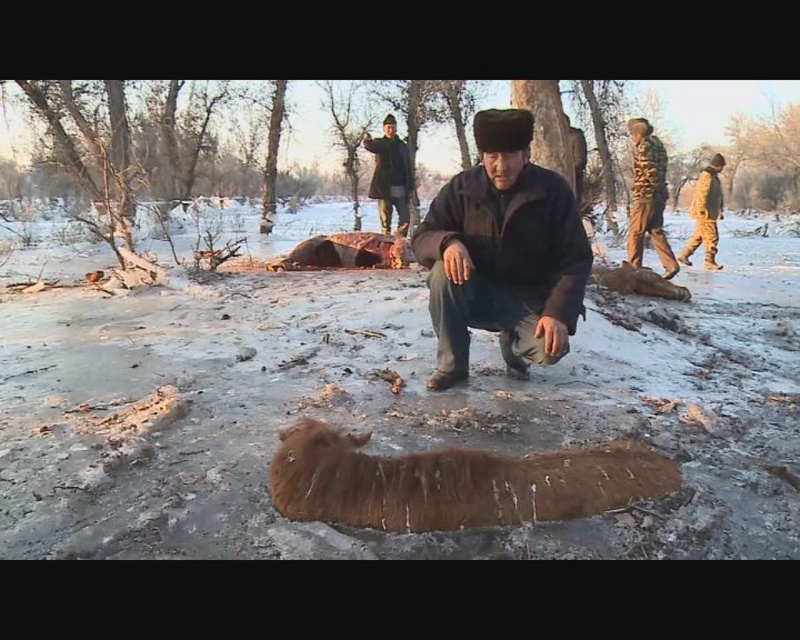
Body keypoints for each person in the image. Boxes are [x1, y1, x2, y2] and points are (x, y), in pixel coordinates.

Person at [411, 108, 594, 391]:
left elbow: (576, 259)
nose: (500, 166)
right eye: (492, 156)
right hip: (476, 293)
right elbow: (422, 237)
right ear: (482, 156)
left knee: (550, 349)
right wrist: (448, 242)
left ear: (526, 155)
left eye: (509, 156)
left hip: (529, 300)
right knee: (440, 274)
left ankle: (514, 345)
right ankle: (452, 366)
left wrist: (558, 312)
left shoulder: (553, 191)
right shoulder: (462, 188)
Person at [627, 118, 680, 280]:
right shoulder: (659, 145)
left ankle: (633, 268)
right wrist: (660, 190)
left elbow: (650, 171)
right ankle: (671, 265)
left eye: (632, 134)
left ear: (638, 134)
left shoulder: (644, 147)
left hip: (646, 195)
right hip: (659, 195)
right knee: (655, 230)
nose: (632, 138)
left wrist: (653, 188)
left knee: (635, 232)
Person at [362, 114, 415, 237]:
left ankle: (399, 241)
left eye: (393, 127)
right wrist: (366, 140)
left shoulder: (402, 146)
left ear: (396, 128)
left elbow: (408, 167)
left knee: (405, 218)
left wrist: (411, 188)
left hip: (401, 188)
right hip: (385, 189)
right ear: (384, 129)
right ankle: (386, 243)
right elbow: (370, 146)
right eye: (388, 128)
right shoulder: (381, 143)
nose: (391, 130)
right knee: (386, 222)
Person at [678, 153, 726, 271]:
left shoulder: (713, 176)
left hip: (710, 212)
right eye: (722, 166)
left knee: (699, 236)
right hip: (706, 214)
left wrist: (720, 210)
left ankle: (684, 255)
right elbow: (702, 194)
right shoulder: (707, 176)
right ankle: (710, 261)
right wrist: (701, 209)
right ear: (718, 165)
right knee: (712, 237)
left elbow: (716, 196)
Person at [564, 114, 588, 209]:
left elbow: (580, 160)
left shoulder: (576, 137)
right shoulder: (554, 139)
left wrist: (567, 174)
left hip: (573, 180)